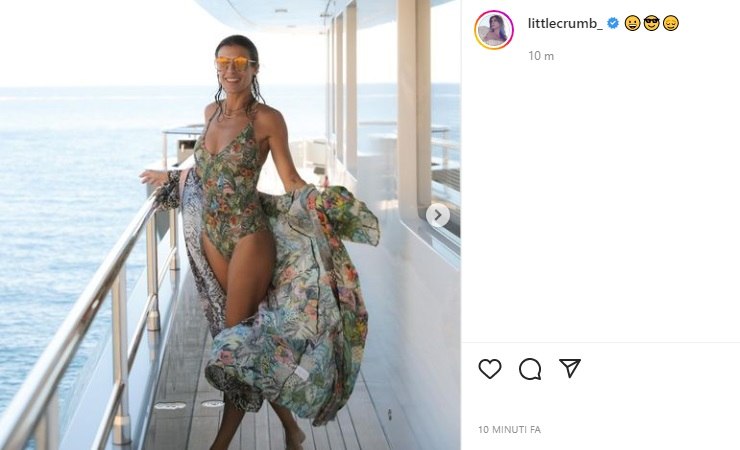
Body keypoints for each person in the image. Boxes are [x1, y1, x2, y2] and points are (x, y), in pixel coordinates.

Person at [141, 34, 307, 450]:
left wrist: (324, 207)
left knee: (234, 344)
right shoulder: (210, 112)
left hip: (249, 235)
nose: (231, 69)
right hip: (212, 236)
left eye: (240, 62)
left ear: (255, 68)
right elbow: (207, 171)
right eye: (223, 61)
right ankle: (291, 429)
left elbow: (290, 179)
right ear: (216, 67)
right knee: (248, 342)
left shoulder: (268, 119)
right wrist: (172, 176)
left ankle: (219, 445)